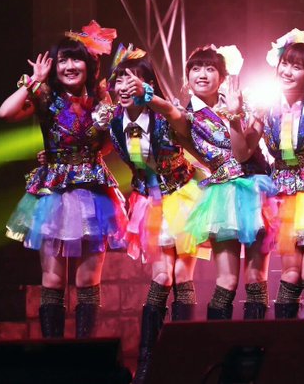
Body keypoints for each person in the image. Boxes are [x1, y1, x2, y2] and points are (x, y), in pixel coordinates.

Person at [0, 21, 126, 339]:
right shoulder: (46, 96)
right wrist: (34, 81)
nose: (70, 66)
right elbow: (5, 113)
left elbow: (109, 145)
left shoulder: (101, 100)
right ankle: (52, 357)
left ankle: (85, 356)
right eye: (63, 60)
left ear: (89, 65)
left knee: (88, 282)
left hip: (94, 194)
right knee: (53, 281)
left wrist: (93, 148)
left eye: (76, 59)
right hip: (54, 192)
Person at [130, 44, 274, 323]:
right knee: (227, 280)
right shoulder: (187, 118)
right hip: (223, 198)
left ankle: (256, 345)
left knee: (257, 278)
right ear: (187, 77)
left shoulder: (245, 105)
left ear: (223, 77)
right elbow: (168, 110)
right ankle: (216, 344)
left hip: (256, 189)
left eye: (210, 69)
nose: (203, 74)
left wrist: (238, 114)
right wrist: (146, 94)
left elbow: (245, 152)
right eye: (196, 69)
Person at [227, 30, 304, 321]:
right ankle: (285, 346)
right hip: (282, 195)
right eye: (285, 63)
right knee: (289, 275)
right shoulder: (264, 107)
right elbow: (242, 153)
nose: (287, 71)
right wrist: (234, 117)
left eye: (297, 66)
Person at [107, 46, 203, 384]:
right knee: (162, 277)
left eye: (132, 80)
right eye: (119, 80)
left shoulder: (163, 113)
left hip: (182, 196)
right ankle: (147, 361)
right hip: (149, 202)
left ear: (147, 84)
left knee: (183, 274)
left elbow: (180, 119)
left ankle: (185, 360)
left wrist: (152, 97)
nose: (124, 87)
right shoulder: (114, 123)